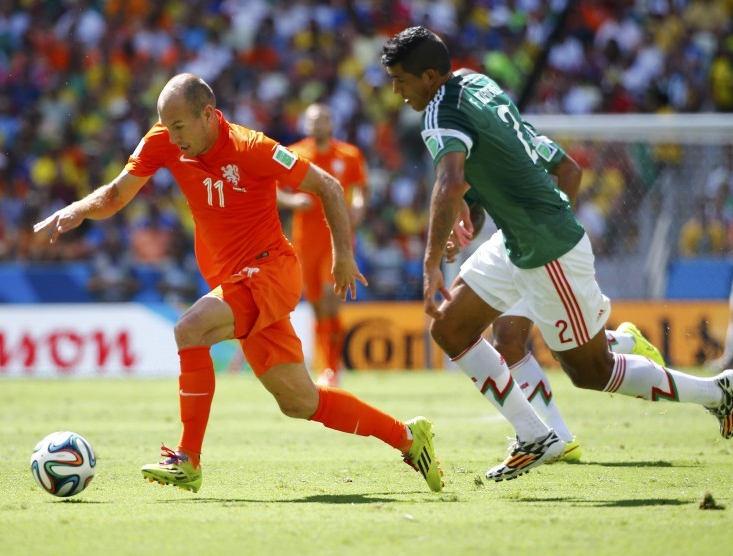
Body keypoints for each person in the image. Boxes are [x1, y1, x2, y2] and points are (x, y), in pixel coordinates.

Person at [34, 73, 443, 493]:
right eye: (165, 126)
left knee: (190, 328)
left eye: (179, 126)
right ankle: (408, 438)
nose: (172, 137)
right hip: (237, 281)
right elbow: (118, 193)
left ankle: (187, 459)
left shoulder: (253, 148)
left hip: (270, 271)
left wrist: (344, 254)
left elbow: (328, 185)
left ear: (208, 115)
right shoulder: (163, 139)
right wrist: (78, 210)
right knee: (301, 402)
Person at [380, 27, 733, 482]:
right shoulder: (477, 83)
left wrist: (431, 266)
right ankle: (535, 436)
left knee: (591, 371)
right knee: (451, 327)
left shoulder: (438, 116)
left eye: (401, 80)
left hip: (548, 252)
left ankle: (717, 393)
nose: (396, 91)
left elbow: (449, 183)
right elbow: (540, 164)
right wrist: (479, 206)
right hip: (518, 243)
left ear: (429, 77)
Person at [443, 89, 665, 463]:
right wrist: (463, 226)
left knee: (549, 347)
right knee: (509, 340)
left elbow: (570, 171)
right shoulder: (471, 150)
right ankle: (560, 433)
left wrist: (550, 233)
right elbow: (475, 205)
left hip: (543, 251)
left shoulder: (514, 140)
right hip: (516, 250)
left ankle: (621, 351)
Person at [276, 103, 368, 387]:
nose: (318, 124)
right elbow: (272, 186)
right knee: (316, 305)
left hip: (336, 239)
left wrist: (358, 208)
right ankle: (325, 363)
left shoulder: (349, 155)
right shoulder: (294, 153)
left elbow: (361, 189)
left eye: (324, 119)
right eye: (313, 120)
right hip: (306, 241)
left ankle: (331, 368)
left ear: (332, 124)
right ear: (306, 125)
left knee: (330, 298)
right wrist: (292, 201)